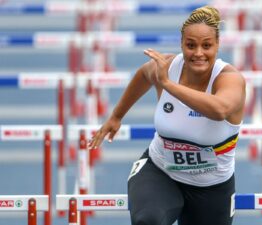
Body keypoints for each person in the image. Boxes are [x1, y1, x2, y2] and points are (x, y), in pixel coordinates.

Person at [88, 5, 246, 225]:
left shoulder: (229, 78)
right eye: (191, 45)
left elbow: (219, 110)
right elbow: (144, 74)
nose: (198, 53)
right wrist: (116, 116)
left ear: (217, 45)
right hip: (161, 173)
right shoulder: (169, 67)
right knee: (148, 221)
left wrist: (168, 85)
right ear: (182, 44)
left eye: (206, 45)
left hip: (212, 187)